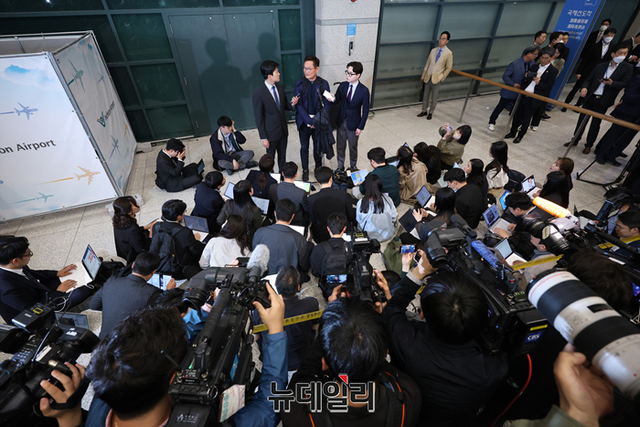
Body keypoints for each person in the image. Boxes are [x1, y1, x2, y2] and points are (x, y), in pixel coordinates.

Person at [40, 285, 288, 427]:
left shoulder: (108, 390)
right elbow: (272, 406)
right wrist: (276, 332)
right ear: (174, 379)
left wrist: (70, 418)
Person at [380, 252, 508, 426]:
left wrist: (419, 271)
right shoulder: (494, 369)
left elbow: (392, 307)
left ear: (422, 314)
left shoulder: (405, 342)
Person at [281, 296, 422, 426]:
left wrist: (331, 329)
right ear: (385, 353)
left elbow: (303, 375)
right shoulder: (408, 398)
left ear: (324, 364)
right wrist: (372, 332)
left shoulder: (296, 413)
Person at [0, 236, 94, 323]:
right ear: (15, 260)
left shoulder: (12, 265)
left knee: (71, 277)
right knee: (81, 292)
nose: (30, 256)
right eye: (29, 255)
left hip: (38, 293)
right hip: (37, 314)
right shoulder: (8, 289)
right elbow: (36, 309)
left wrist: (57, 274)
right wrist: (59, 292)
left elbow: (34, 274)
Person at [565, 44, 634, 154]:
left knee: (595, 123)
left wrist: (612, 83)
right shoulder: (601, 66)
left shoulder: (627, 68)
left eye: (625, 53)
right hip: (590, 97)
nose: (622, 55)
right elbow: (589, 79)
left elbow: (626, 83)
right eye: (620, 53)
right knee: (581, 120)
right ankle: (575, 139)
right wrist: (584, 87)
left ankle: (589, 144)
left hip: (603, 100)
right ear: (613, 54)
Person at [90, 251, 173, 339]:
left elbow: (93, 305)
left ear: (133, 265)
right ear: (153, 272)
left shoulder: (111, 281)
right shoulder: (152, 292)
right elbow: (163, 314)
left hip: (103, 341)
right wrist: (169, 291)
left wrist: (112, 307)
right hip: (130, 343)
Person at [252, 266, 318, 374]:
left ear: (275, 285)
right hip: (300, 359)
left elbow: (256, 336)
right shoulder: (311, 304)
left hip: (271, 360)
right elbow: (315, 328)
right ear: (298, 287)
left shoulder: (261, 311)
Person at [252, 59, 299, 172]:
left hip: (283, 130)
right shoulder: (258, 93)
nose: (279, 74)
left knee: (282, 156)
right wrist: (264, 138)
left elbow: (284, 106)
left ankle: (282, 176)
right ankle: (270, 178)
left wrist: (293, 104)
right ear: (269, 76)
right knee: (270, 159)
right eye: (276, 72)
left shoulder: (280, 87)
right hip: (270, 133)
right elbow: (259, 118)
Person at [253, 198, 314, 281]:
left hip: (264, 274)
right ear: (292, 216)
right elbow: (304, 264)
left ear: (275, 213)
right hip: (288, 279)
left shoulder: (260, 232)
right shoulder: (299, 238)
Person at [506, 48, 558, 144]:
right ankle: (512, 132)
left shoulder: (553, 71)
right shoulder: (534, 66)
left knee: (526, 118)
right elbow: (523, 82)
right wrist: (526, 77)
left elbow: (548, 87)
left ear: (551, 58)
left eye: (546, 58)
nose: (543, 60)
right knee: (516, 115)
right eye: (542, 58)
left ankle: (520, 136)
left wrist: (539, 82)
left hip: (534, 97)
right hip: (524, 94)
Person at [293, 55, 332, 181]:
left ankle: (318, 168)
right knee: (304, 147)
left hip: (319, 121)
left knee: (318, 147)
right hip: (304, 122)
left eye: (309, 69)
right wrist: (309, 121)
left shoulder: (323, 83)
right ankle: (305, 170)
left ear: (317, 69)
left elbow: (327, 104)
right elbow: (298, 105)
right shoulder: (299, 84)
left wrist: (316, 120)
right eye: (305, 68)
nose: (306, 71)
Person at [563, 28, 618, 109]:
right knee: (576, 88)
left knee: (588, 90)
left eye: (612, 35)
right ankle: (566, 104)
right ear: (604, 36)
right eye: (608, 35)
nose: (609, 37)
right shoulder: (594, 45)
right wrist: (579, 72)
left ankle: (578, 105)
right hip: (587, 71)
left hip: (598, 73)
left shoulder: (613, 47)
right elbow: (585, 59)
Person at [150, 199, 205, 279]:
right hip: (178, 267)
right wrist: (195, 240)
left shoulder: (156, 226)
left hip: (161, 263)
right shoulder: (185, 232)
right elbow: (195, 250)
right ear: (179, 216)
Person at [488, 46, 539, 131]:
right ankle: (492, 121)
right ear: (529, 54)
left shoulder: (532, 63)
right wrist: (513, 84)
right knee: (500, 106)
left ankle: (517, 124)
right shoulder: (515, 64)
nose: (536, 56)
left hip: (522, 91)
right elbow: (505, 76)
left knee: (518, 110)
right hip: (510, 90)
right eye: (535, 54)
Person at [595, 74, 640, 166]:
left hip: (638, 119)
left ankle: (612, 155)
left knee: (626, 138)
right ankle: (601, 153)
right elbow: (628, 96)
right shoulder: (638, 78)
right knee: (613, 135)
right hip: (627, 113)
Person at [334, 61, 370, 171]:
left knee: (352, 146)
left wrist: (360, 126)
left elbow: (366, 110)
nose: (347, 76)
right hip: (341, 121)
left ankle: (353, 166)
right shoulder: (343, 86)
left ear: (358, 75)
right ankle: (340, 166)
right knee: (340, 146)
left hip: (354, 123)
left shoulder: (364, 90)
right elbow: (336, 101)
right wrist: (332, 98)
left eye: (351, 74)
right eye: (347, 72)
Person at [307, 167, 356, 243]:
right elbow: (351, 215)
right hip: (342, 230)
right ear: (331, 179)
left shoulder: (311, 199)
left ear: (317, 182)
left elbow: (313, 219)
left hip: (322, 234)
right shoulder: (343, 195)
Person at [310, 213, 350, 296]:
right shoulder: (352, 248)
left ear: (328, 229)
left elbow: (315, 272)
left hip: (328, 290)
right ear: (344, 229)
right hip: (349, 288)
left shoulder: (318, 248)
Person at [418, 31, 453, 120]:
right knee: (426, 95)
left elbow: (448, 67)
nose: (441, 40)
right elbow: (427, 64)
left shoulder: (448, 53)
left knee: (434, 97)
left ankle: (431, 112)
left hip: (437, 78)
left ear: (447, 41)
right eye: (440, 38)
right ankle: (424, 110)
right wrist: (423, 75)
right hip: (428, 76)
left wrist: (442, 77)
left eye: (443, 39)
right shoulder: (433, 50)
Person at [112, 195, 154, 264]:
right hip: (134, 257)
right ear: (128, 212)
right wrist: (151, 233)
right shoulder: (132, 229)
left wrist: (146, 227)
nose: (137, 204)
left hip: (125, 252)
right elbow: (142, 249)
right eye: (134, 204)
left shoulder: (119, 220)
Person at [356, 174, 398, 242]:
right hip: (386, 235)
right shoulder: (388, 200)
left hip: (368, 236)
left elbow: (359, 219)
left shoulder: (361, 203)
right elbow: (394, 218)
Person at [269, 162, 309, 227]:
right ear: (296, 175)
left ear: (282, 173)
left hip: (278, 217)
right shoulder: (301, 192)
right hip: (295, 221)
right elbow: (306, 209)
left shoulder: (273, 187)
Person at [191, 171, 225, 235]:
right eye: (223, 178)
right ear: (218, 186)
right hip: (208, 222)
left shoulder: (201, 185)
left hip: (196, 212)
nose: (224, 177)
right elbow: (220, 211)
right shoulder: (216, 199)